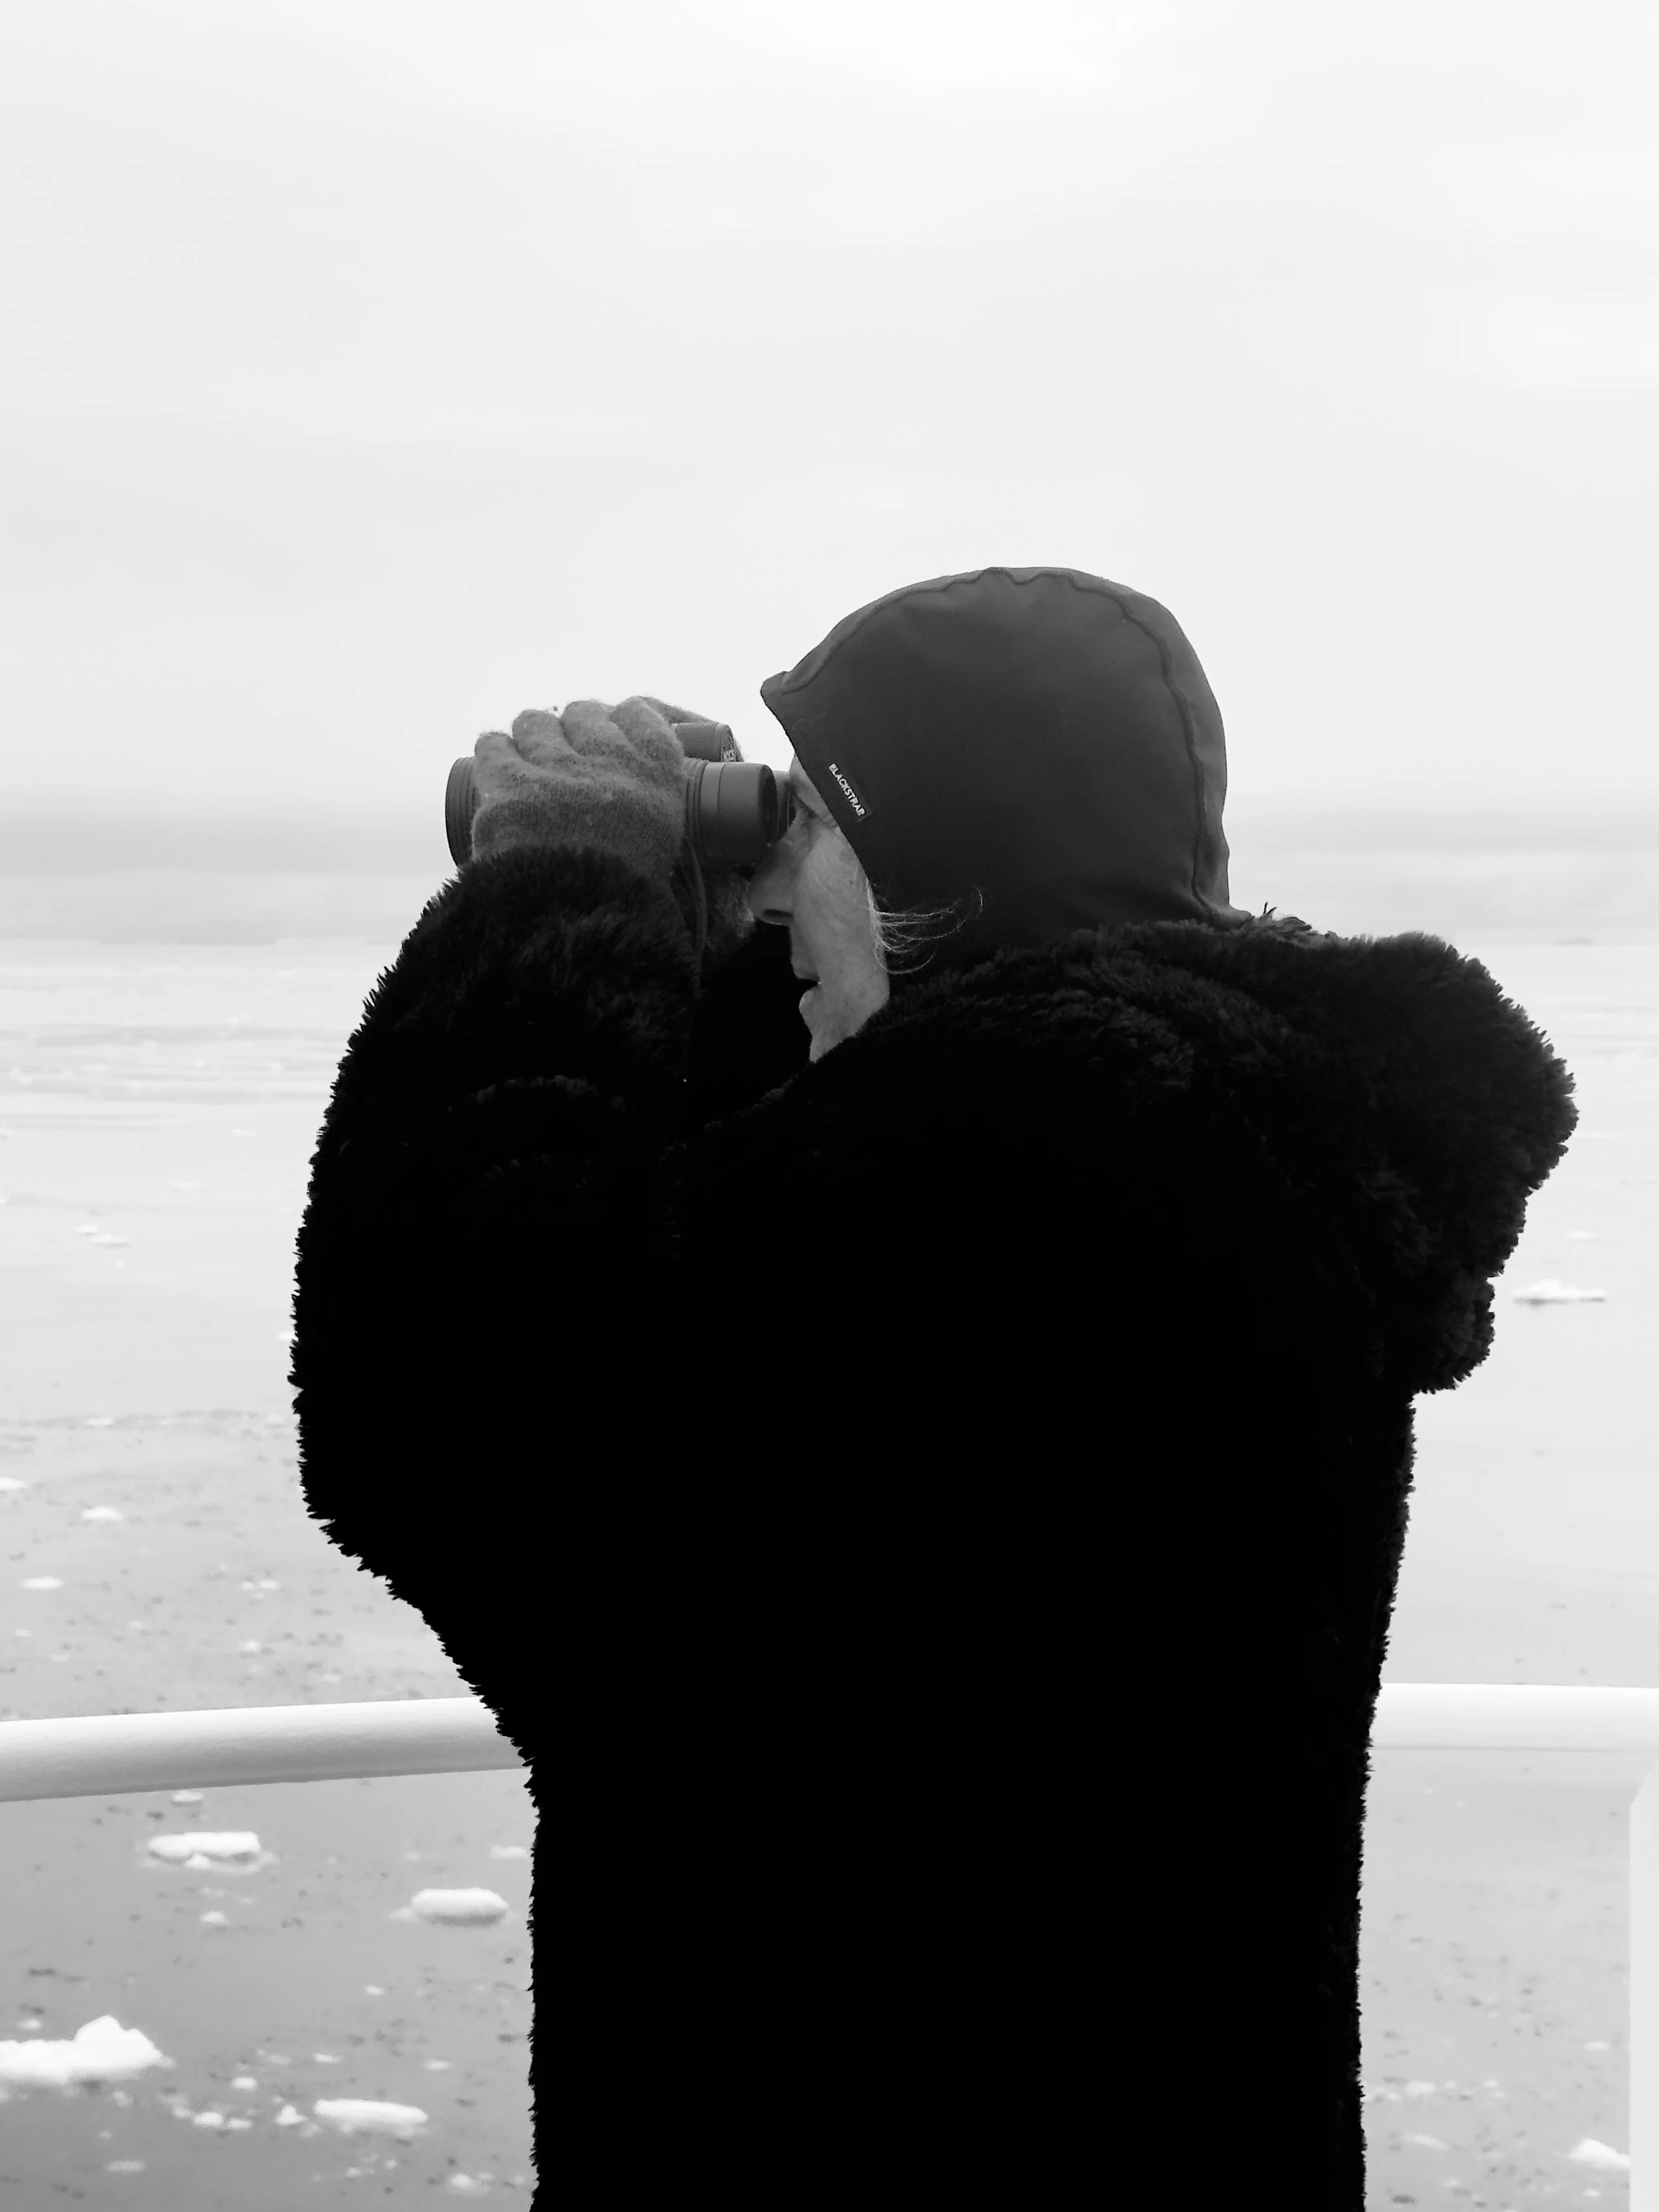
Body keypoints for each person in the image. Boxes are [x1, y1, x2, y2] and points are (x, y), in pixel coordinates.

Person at [290, 565, 1579, 2206]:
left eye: (805, 826)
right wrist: (701, 978)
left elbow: (458, 1410)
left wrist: (555, 896)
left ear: (928, 875)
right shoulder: (1198, 1141)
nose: (774, 874)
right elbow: (789, 1383)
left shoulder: (1036, 1159)